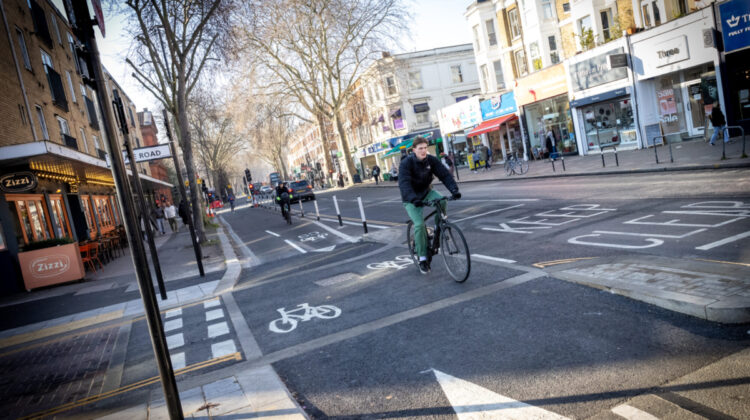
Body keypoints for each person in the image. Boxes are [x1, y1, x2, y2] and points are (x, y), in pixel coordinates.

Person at [398, 136, 461, 274]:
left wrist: (454, 190)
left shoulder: (431, 160)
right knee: (420, 225)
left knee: (442, 200)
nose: (423, 151)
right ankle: (422, 258)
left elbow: (444, 175)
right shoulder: (406, 163)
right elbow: (404, 184)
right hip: (411, 198)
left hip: (426, 192)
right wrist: (413, 199)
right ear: (413, 150)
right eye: (420, 148)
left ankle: (440, 226)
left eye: (425, 148)